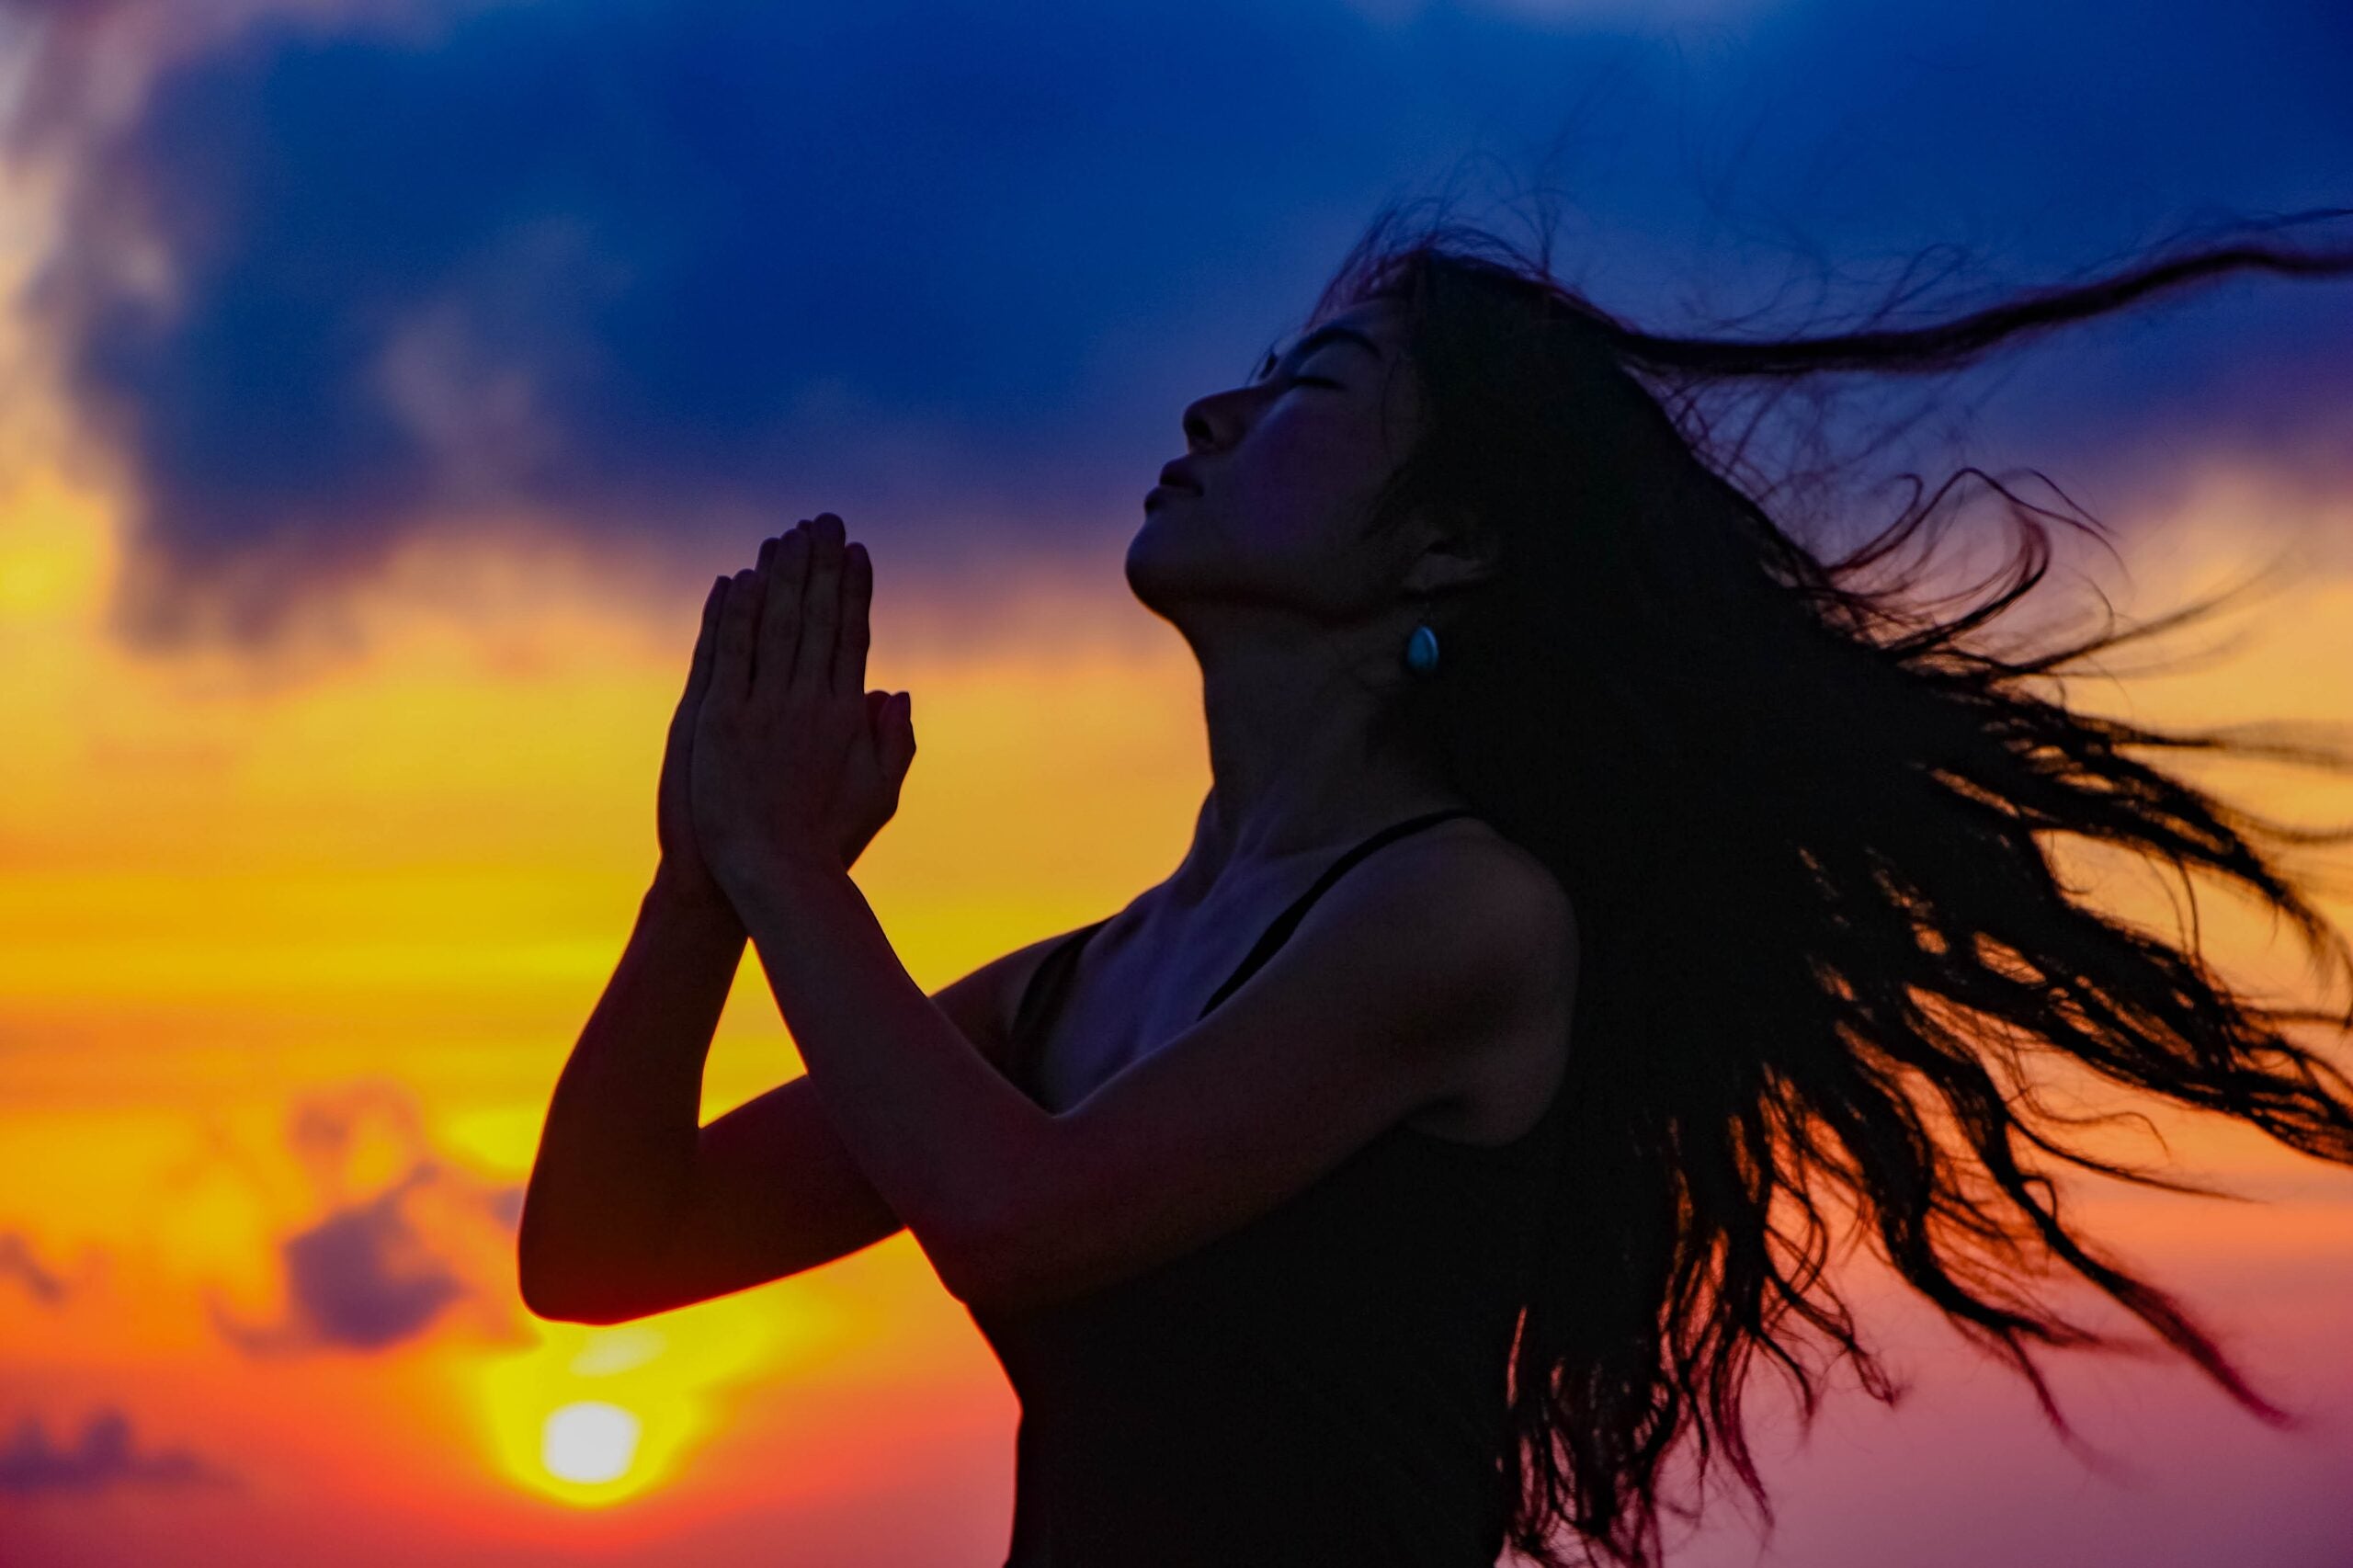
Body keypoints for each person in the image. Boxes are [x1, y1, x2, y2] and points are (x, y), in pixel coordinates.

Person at [517, 198, 2353, 1567]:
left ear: (1448, 544)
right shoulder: (1080, 984)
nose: (1211, 413)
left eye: (1305, 388)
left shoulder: (1458, 920)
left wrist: (787, 872)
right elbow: (606, 1247)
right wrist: (701, 884)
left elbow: (1021, 1215)